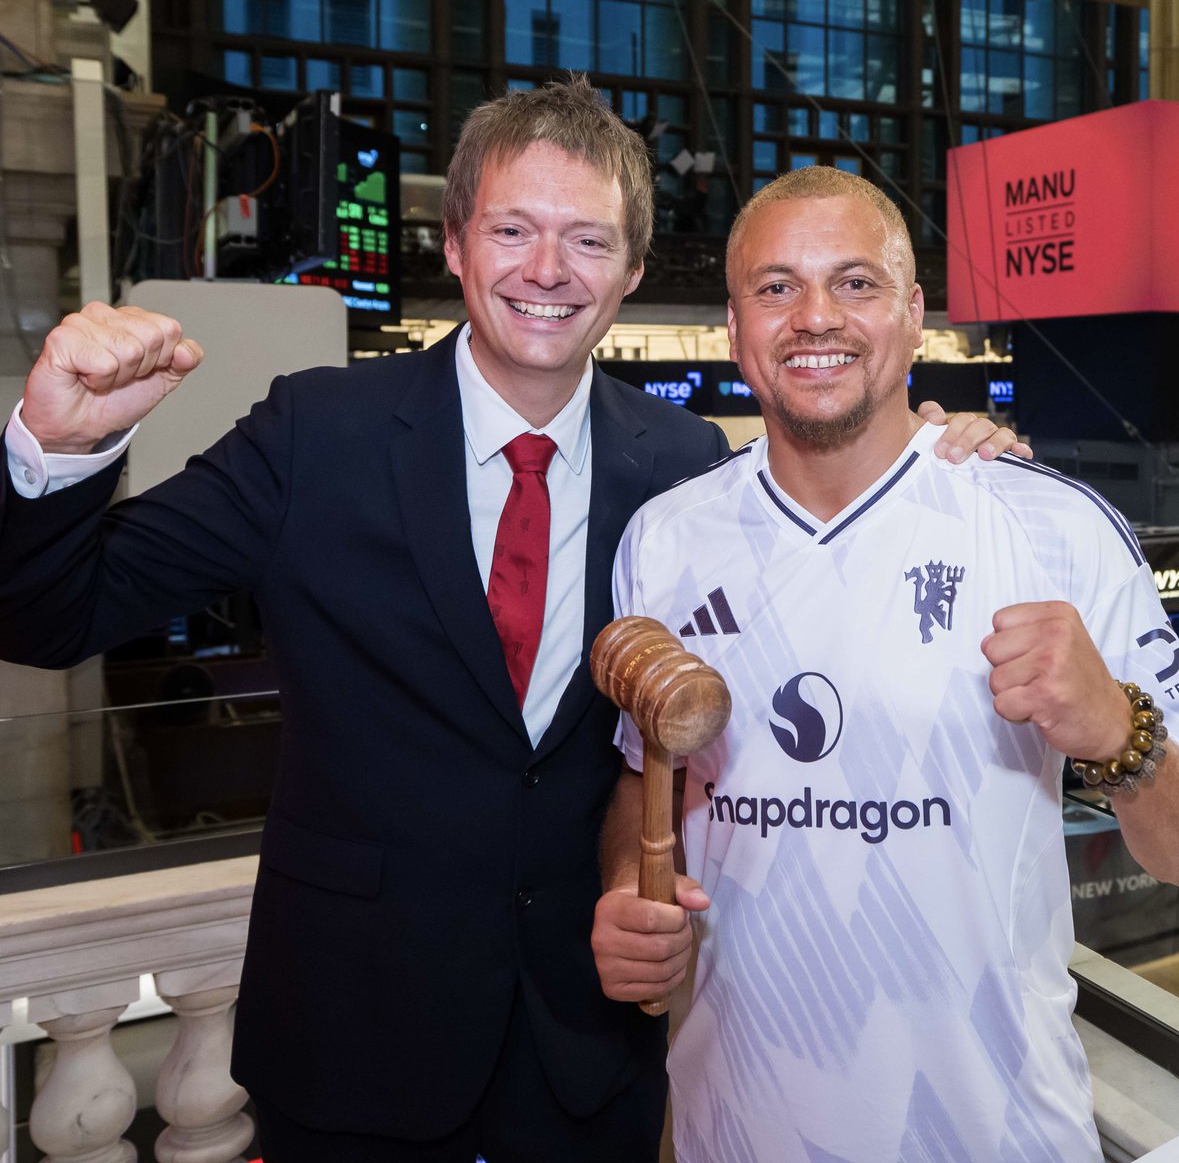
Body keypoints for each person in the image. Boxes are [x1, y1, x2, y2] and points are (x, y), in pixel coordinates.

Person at [0, 77, 1021, 1162]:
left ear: (630, 272)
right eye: (514, 230)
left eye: (587, 239)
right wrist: (58, 449)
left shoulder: (680, 467)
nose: (547, 270)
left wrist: (945, 467)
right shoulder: (317, 432)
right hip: (355, 1037)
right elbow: (48, 616)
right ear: (454, 244)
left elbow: (823, 623)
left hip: (587, 1047)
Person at [591, 165, 1179, 1163]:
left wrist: (1118, 733)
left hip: (997, 1136)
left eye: (856, 283)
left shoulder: (1052, 531)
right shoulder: (665, 541)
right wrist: (625, 887)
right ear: (737, 326)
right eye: (776, 287)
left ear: (915, 315)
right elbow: (639, 778)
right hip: (729, 1135)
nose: (816, 316)